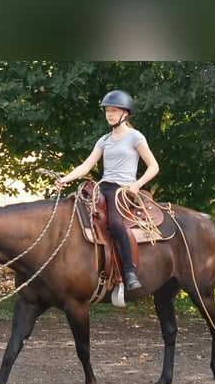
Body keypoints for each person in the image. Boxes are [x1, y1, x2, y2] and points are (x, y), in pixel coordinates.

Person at [55, 90, 160, 291]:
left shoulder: (135, 137)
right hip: (101, 188)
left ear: (125, 113)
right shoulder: (103, 140)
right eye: (107, 111)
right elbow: (86, 167)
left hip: (122, 191)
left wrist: (137, 185)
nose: (109, 115)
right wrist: (64, 179)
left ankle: (129, 272)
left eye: (114, 111)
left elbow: (154, 166)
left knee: (115, 223)